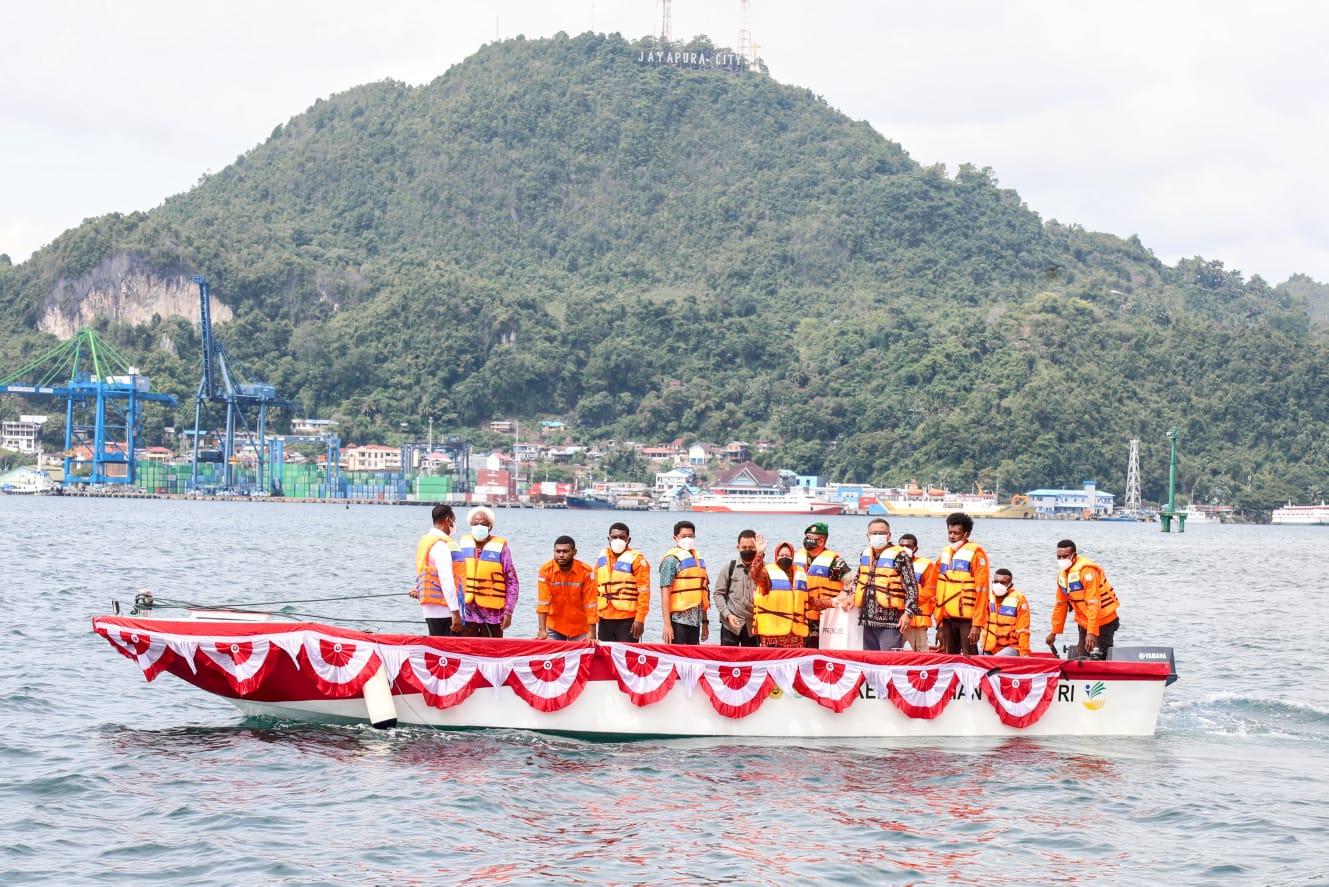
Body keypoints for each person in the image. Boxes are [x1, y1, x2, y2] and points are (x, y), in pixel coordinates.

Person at [842, 518, 918, 652]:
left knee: (889, 662)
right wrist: (853, 594)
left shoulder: (901, 557)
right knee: (870, 662)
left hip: (891, 622)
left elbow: (912, 587)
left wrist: (908, 614)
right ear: (868, 536)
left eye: (881, 533)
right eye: (874, 533)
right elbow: (859, 578)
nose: (878, 536)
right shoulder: (865, 555)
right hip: (867, 620)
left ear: (889, 535)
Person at [1046, 539, 1121, 658]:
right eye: (1058, 557)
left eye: (1065, 556)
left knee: (1099, 658)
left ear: (1074, 555)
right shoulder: (1063, 576)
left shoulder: (1087, 572)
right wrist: (1054, 632)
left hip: (1103, 620)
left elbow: (1093, 604)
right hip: (1084, 622)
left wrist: (1091, 633)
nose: (1061, 560)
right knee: (1082, 658)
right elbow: (1061, 605)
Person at [928, 512, 990, 655]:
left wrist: (977, 625)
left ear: (966, 534)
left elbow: (983, 592)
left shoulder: (976, 554)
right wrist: (938, 623)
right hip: (946, 617)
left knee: (970, 655)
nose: (952, 536)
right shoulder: (945, 553)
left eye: (956, 533)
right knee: (949, 655)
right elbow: (933, 587)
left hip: (967, 619)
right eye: (950, 532)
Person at [458, 506, 519, 638]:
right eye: (475, 524)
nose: (479, 526)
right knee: (466, 651)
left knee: (492, 652)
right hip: (467, 614)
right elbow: (452, 576)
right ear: (470, 525)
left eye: (483, 524)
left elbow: (512, 582)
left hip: (493, 615)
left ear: (490, 527)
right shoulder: (462, 546)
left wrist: (508, 612)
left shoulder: (502, 548)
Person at [795, 521, 853, 649]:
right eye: (806, 537)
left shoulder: (834, 561)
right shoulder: (798, 556)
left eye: (810, 538)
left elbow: (852, 580)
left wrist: (845, 592)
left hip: (824, 617)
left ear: (821, 541)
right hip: (801, 615)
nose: (806, 541)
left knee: (817, 650)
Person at [410, 504, 465, 636]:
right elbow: (446, 579)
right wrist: (455, 612)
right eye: (454, 520)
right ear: (447, 520)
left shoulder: (425, 542)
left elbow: (428, 574)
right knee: (451, 652)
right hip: (444, 609)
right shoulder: (441, 545)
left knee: (438, 650)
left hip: (430, 608)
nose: (454, 524)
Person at [595, 521, 651, 642]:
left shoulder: (637, 559)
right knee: (605, 656)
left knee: (627, 657)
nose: (618, 540)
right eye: (614, 537)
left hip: (627, 620)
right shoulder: (601, 558)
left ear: (628, 540)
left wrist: (640, 620)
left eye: (622, 537)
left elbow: (644, 592)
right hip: (604, 618)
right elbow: (594, 588)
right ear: (608, 539)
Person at [536, 535, 598, 641]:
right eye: (558, 551)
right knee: (552, 656)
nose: (561, 555)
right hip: (555, 627)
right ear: (553, 551)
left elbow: (591, 603)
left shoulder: (586, 571)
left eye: (565, 551)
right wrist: (542, 630)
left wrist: (592, 633)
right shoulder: (546, 570)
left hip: (580, 627)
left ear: (574, 552)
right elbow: (543, 602)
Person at [658, 520, 710, 645]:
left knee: (692, 660)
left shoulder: (698, 560)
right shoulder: (671, 560)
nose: (688, 539)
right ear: (675, 538)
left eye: (690, 536)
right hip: (677, 621)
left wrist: (705, 623)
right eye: (684, 536)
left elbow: (703, 593)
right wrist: (667, 625)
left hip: (695, 622)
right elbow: (665, 593)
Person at [713, 529, 763, 647]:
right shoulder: (729, 568)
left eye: (751, 547)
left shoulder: (764, 569)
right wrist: (727, 614)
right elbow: (718, 594)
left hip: (754, 626)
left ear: (756, 547)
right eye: (744, 547)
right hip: (730, 625)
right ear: (738, 548)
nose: (747, 550)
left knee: (751, 662)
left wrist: (760, 554)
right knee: (727, 661)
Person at [754, 539, 807, 647]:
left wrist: (831, 603)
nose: (784, 557)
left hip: (795, 635)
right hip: (772, 634)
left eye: (787, 555)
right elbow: (754, 576)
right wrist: (759, 553)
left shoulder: (800, 574)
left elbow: (808, 600)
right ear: (776, 557)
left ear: (792, 557)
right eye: (781, 555)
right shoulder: (767, 573)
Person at [898, 533, 937, 652]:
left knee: (922, 654)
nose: (904, 548)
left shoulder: (925, 564)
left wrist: (910, 606)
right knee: (891, 653)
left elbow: (930, 591)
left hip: (917, 620)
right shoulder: (892, 562)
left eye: (908, 546)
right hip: (896, 618)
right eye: (901, 546)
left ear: (915, 548)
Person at [978, 568, 1030, 656]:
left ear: (1010, 585)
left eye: (1002, 583)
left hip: (1011, 648)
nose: (998, 585)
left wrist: (1024, 653)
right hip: (988, 648)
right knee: (969, 656)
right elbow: (977, 619)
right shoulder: (986, 597)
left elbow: (1023, 629)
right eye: (996, 582)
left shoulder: (1019, 599)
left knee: (996, 659)